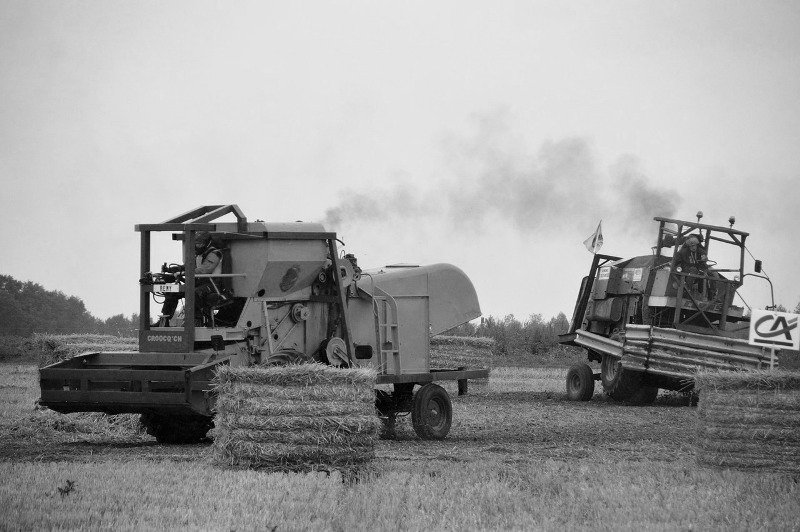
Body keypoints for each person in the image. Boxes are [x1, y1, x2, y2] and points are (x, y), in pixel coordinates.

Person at [155, 231, 223, 326]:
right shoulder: (198, 254)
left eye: (200, 244)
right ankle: (164, 320)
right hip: (199, 283)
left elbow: (204, 270)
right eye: (196, 244)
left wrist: (183, 273)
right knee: (172, 292)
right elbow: (189, 266)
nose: (198, 246)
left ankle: (196, 321)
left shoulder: (215, 254)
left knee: (195, 293)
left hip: (212, 285)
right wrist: (174, 269)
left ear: (207, 243)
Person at [675, 235, 722, 301]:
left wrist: (704, 258)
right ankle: (687, 291)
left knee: (711, 274)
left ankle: (713, 294)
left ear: (697, 245)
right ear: (688, 246)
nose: (693, 247)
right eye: (691, 246)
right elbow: (677, 262)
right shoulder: (683, 252)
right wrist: (680, 267)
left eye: (694, 245)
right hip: (686, 268)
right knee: (692, 272)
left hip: (699, 268)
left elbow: (704, 259)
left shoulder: (700, 251)